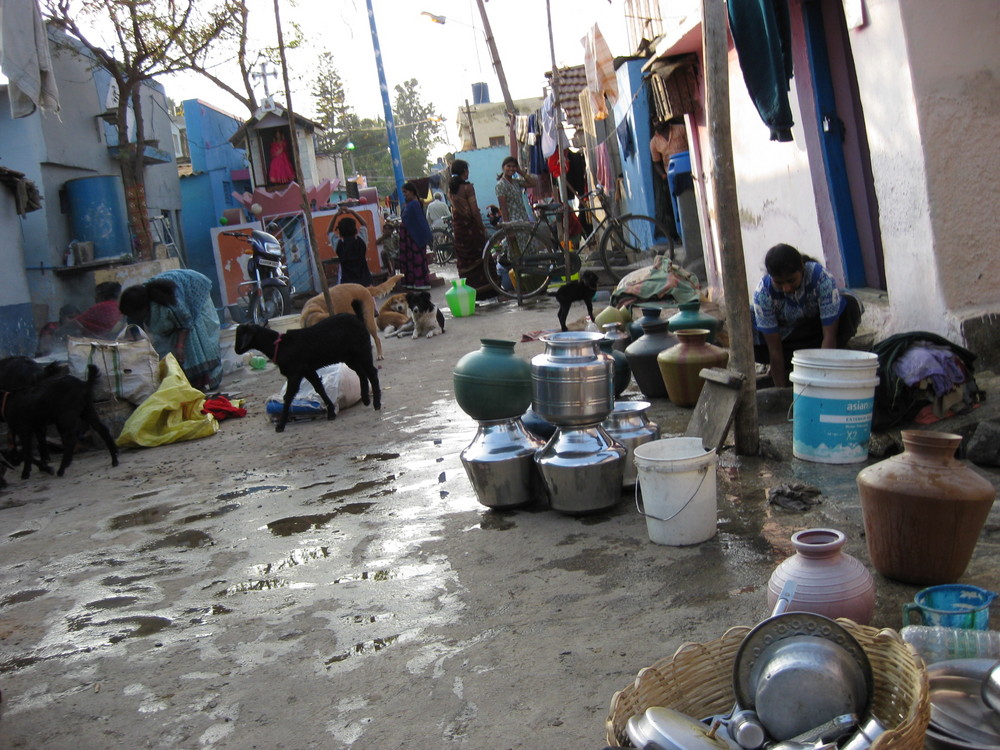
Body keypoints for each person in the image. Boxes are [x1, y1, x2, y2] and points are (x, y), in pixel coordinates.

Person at [752, 243, 863, 387]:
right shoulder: (763, 293)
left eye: (791, 280)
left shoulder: (821, 278)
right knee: (748, 328)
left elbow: (829, 335)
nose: (786, 288)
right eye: (779, 283)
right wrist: (780, 390)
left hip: (817, 333)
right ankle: (787, 366)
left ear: (802, 268)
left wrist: (821, 380)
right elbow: (775, 349)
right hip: (787, 340)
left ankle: (833, 356)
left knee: (849, 305)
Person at [119, 269, 223, 391]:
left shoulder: (169, 301)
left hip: (193, 288)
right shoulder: (135, 309)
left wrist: (180, 345)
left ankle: (205, 380)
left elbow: (185, 321)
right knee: (168, 345)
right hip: (178, 298)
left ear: (145, 308)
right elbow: (135, 331)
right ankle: (184, 380)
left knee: (194, 337)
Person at [449, 160, 495, 300]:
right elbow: (474, 211)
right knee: (483, 255)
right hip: (470, 227)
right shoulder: (467, 188)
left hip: (459, 230)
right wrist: (482, 227)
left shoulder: (451, 189)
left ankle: (470, 295)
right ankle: (492, 290)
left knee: (465, 260)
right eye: (467, 170)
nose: (468, 173)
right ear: (464, 171)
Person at [650, 119, 688, 242]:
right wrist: (663, 175)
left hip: (688, 167)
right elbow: (656, 163)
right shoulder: (654, 143)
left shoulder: (680, 128)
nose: (658, 123)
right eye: (655, 121)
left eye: (659, 120)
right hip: (672, 175)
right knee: (677, 206)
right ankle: (682, 234)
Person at [398, 182, 432, 290]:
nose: (404, 194)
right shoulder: (410, 204)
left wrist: (428, 236)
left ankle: (420, 283)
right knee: (410, 260)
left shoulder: (414, 204)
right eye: (403, 192)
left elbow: (421, 221)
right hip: (408, 238)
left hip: (414, 237)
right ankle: (412, 283)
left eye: (406, 191)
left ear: (412, 191)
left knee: (417, 260)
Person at [333, 215, 373, 287]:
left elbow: (329, 231)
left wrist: (336, 215)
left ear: (340, 232)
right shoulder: (361, 241)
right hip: (365, 281)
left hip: (347, 284)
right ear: (355, 230)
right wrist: (352, 212)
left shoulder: (339, 245)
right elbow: (364, 224)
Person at [495, 156, 537, 223]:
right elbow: (503, 207)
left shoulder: (516, 182)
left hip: (523, 219)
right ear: (503, 167)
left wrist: (520, 172)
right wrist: (508, 227)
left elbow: (533, 183)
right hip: (513, 222)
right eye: (508, 166)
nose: (511, 168)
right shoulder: (500, 185)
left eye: (514, 166)